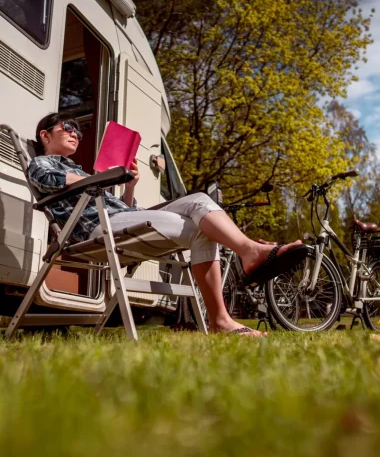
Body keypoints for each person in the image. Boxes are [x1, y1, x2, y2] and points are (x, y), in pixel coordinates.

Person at [29, 113, 308, 337]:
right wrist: (104, 178)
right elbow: (48, 181)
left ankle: (240, 275)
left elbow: (127, 210)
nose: (75, 133)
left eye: (78, 130)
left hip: (115, 220)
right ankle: (242, 274)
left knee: (199, 203)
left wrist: (129, 185)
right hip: (93, 232)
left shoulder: (80, 172)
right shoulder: (41, 163)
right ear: (45, 135)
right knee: (202, 225)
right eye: (68, 128)